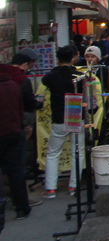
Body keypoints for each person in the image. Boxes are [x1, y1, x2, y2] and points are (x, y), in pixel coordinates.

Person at [0, 52, 41, 223]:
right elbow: (22, 108)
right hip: (14, 132)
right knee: (16, 171)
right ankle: (22, 208)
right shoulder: (15, 84)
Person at [42, 45, 86, 198]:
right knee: (78, 152)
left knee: (53, 153)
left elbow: (45, 80)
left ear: (57, 58)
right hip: (75, 116)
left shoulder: (51, 77)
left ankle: (50, 188)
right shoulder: (78, 76)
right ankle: (74, 186)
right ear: (74, 57)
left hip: (58, 118)